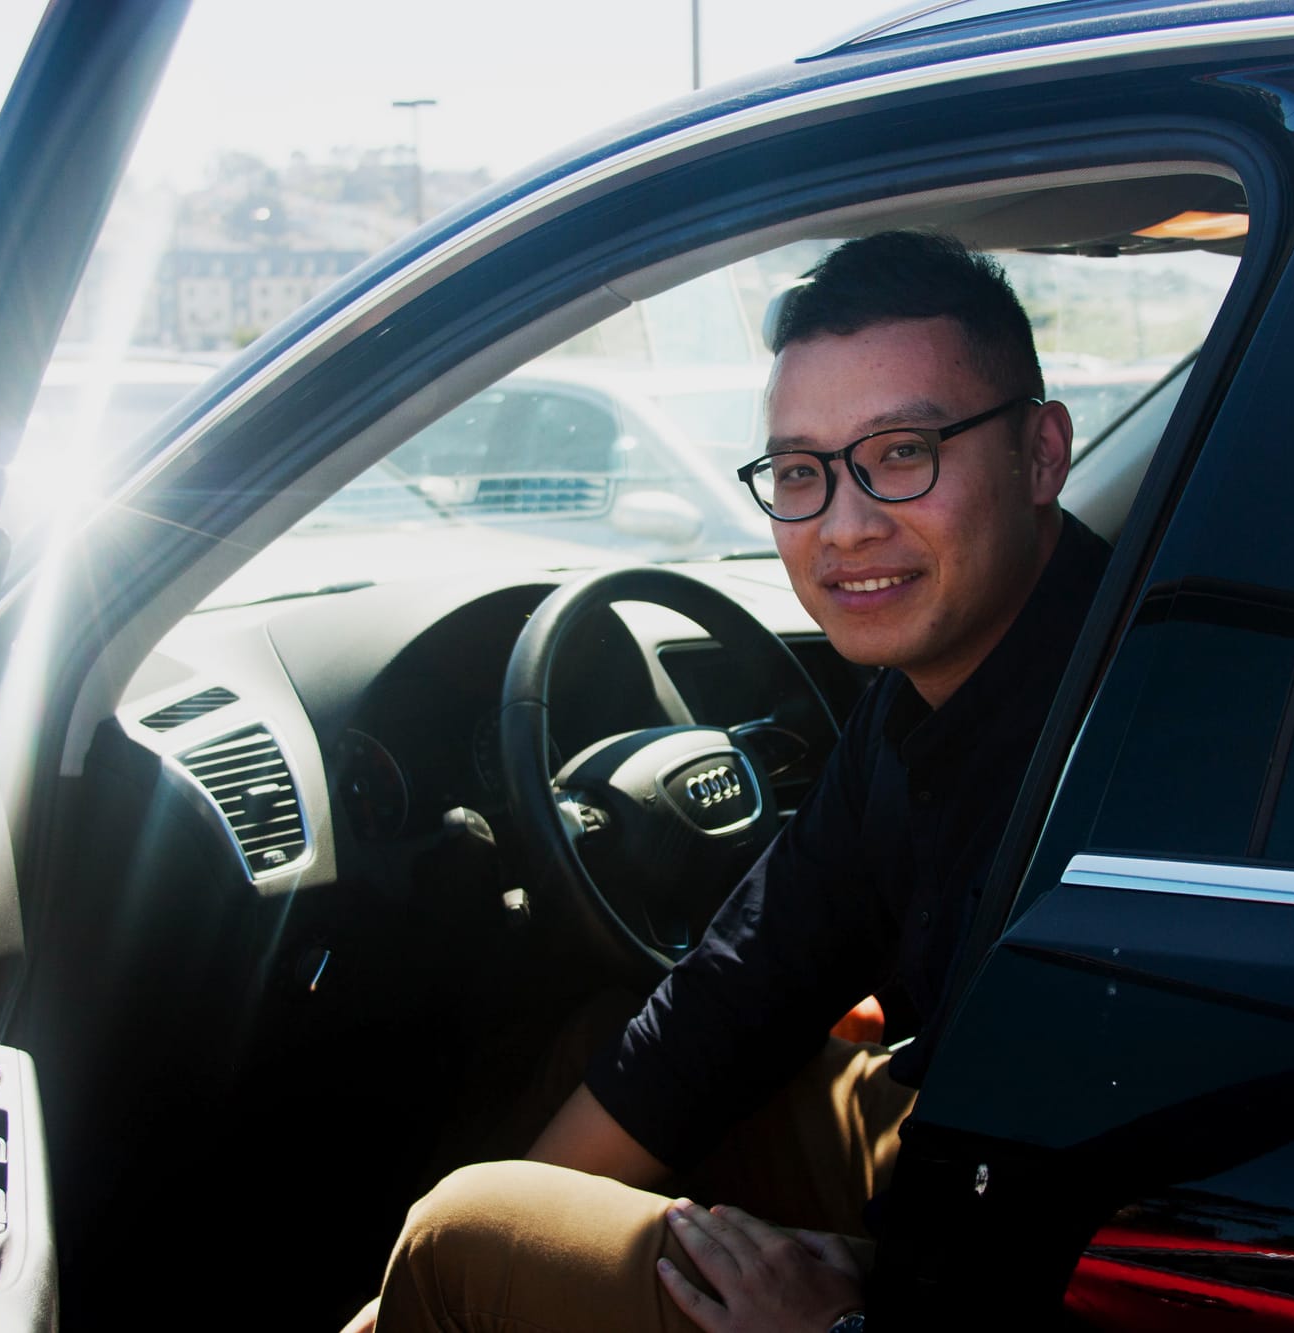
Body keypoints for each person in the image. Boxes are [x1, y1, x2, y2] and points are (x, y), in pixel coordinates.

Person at [356, 230, 1113, 1333]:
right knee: (599, 1051)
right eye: (801, 472)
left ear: (1040, 453)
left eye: (900, 452)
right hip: (962, 1159)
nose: (845, 526)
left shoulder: (1113, 742)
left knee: (460, 1235)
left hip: (1032, 1264)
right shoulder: (920, 699)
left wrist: (843, 1324)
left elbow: (1127, 1219)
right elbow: (742, 985)